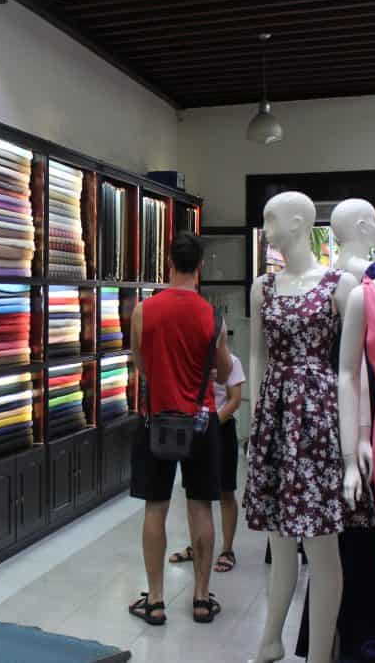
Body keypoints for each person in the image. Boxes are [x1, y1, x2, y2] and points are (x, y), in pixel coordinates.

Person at [128, 231, 231, 626]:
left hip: (156, 419)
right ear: (199, 267)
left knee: (156, 508)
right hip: (201, 423)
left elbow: (140, 360)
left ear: (169, 263)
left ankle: (154, 600)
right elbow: (222, 371)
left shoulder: (144, 310)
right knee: (201, 506)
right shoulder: (211, 315)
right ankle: (201, 598)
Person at [169, 342, 244, 573]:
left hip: (221, 430)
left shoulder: (231, 361)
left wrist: (211, 424)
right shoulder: (191, 361)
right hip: (195, 431)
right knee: (195, 495)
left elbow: (234, 400)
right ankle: (197, 546)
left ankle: (227, 549)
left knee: (225, 491)